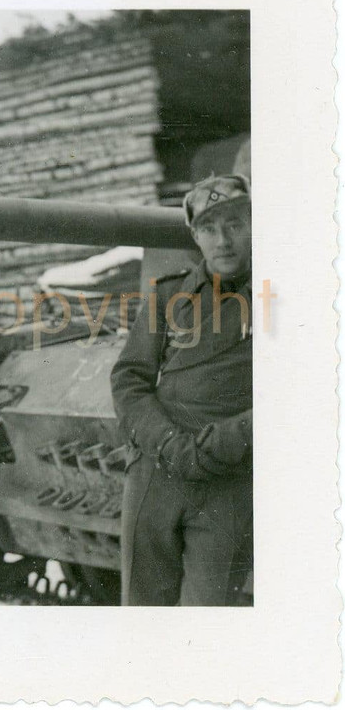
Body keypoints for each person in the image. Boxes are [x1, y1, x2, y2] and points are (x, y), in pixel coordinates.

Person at [111, 174, 253, 606]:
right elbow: (129, 378)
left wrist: (230, 439)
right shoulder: (170, 295)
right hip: (158, 469)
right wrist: (168, 443)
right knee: (143, 613)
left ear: (252, 223)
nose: (222, 240)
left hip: (229, 475)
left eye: (233, 224)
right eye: (209, 228)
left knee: (208, 622)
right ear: (194, 235)